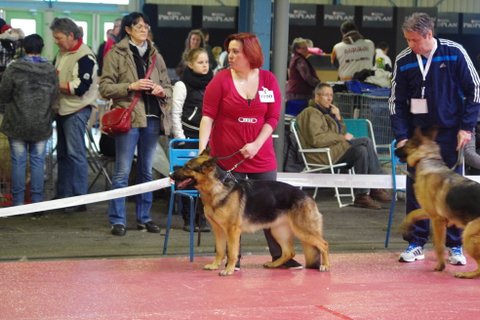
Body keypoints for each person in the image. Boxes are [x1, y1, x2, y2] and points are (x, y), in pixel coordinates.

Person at [199, 32, 302, 270]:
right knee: (228, 212)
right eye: (230, 51)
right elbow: (208, 117)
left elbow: (273, 117)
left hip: (261, 155)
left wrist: (256, 144)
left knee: (271, 205)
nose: (230, 56)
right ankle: (231, 259)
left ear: (250, 54)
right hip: (226, 157)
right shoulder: (220, 80)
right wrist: (202, 149)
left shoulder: (268, 80)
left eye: (236, 52)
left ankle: (280, 255)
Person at [389, 12, 480, 265]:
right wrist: (402, 136)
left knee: (452, 190)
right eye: (407, 39)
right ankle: (416, 243)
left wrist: (467, 127)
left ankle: (455, 245)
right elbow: (396, 102)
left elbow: (475, 89)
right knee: (417, 189)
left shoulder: (455, 53)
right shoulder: (404, 60)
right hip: (419, 137)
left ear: (429, 34)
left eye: (414, 40)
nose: (410, 45)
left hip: (450, 132)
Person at [99, 12, 172, 237]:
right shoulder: (116, 53)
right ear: (128, 30)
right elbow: (104, 87)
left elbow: (169, 87)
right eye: (138, 26)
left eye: (145, 25)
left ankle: (144, 218)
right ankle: (117, 220)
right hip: (129, 119)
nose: (143, 29)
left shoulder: (156, 56)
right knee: (122, 171)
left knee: (147, 171)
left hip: (151, 119)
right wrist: (131, 86)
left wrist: (162, 91)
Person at [296, 83, 390, 209]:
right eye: (326, 95)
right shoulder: (311, 112)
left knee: (361, 150)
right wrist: (342, 138)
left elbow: (340, 133)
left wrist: (338, 118)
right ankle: (376, 185)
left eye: (331, 95)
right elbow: (316, 139)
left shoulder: (327, 113)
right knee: (366, 141)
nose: (330, 98)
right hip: (320, 154)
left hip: (333, 151)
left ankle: (361, 196)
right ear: (317, 97)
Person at [0, 34, 58, 207]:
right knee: (38, 162)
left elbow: (3, 94)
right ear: (42, 48)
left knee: (18, 161)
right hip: (41, 123)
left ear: (24, 48)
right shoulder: (50, 70)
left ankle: (18, 203)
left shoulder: (14, 68)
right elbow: (55, 96)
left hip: (17, 122)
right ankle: (37, 203)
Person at [50, 17, 98, 212]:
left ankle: (79, 199)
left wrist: (53, 85)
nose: (56, 41)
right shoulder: (62, 52)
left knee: (76, 154)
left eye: (59, 37)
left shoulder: (85, 57)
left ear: (71, 36)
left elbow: (80, 88)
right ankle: (63, 195)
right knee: (62, 154)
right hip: (62, 110)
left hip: (76, 110)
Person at [171, 47, 213, 231]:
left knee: (206, 179)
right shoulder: (181, 85)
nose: (205, 66)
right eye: (200, 62)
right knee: (187, 178)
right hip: (187, 137)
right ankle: (189, 219)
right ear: (190, 64)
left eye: (206, 62)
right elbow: (176, 113)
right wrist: (180, 138)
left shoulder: (213, 83)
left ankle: (203, 218)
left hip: (208, 138)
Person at [285, 37, 320, 115]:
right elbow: (307, 77)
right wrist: (319, 84)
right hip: (299, 96)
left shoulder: (294, 59)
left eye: (306, 47)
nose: (306, 50)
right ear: (297, 49)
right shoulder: (300, 60)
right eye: (303, 48)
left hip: (294, 95)